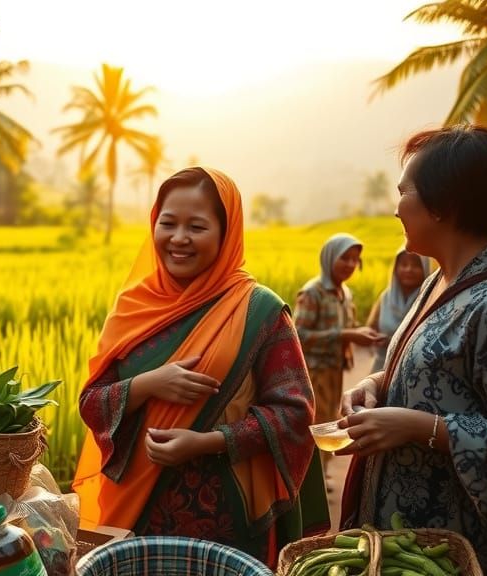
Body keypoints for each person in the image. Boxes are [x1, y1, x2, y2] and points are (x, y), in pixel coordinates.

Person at [73, 167, 327, 567]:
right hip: (139, 520)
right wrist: (148, 384)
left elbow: (294, 414)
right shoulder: (134, 307)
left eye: (197, 226)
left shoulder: (258, 311)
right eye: (167, 223)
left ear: (226, 234)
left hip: (229, 519)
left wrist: (208, 442)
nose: (178, 239)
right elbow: (91, 402)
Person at [339, 125, 487, 573]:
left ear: (443, 205)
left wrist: (421, 428)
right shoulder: (437, 281)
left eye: (404, 192)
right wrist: (375, 384)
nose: (395, 209)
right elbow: (425, 369)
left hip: (446, 550)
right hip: (399, 536)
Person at [293, 233, 384, 425]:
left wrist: (362, 333)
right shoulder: (312, 293)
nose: (350, 264)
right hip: (314, 372)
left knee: (329, 420)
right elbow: (297, 335)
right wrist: (345, 334)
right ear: (329, 257)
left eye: (355, 259)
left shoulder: (345, 293)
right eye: (344, 258)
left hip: (335, 370)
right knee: (318, 424)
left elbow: (347, 326)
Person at [365, 247, 431, 373]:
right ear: (395, 269)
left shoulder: (430, 299)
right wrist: (374, 338)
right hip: (381, 367)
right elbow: (372, 327)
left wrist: (393, 342)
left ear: (425, 269)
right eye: (404, 264)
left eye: (416, 265)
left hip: (414, 370)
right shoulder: (385, 298)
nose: (409, 269)